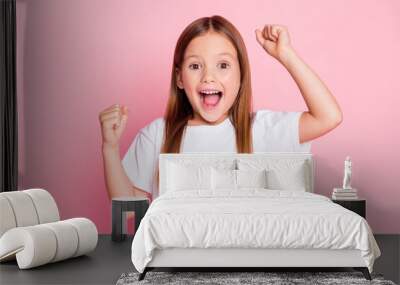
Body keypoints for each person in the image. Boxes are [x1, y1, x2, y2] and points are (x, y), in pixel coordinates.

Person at [99, 15, 342, 204]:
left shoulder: (263, 129)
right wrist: (110, 148)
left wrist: (286, 54)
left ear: (240, 76)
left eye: (223, 65)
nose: (208, 77)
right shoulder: (157, 135)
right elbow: (128, 210)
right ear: (180, 78)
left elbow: (328, 117)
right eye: (195, 66)